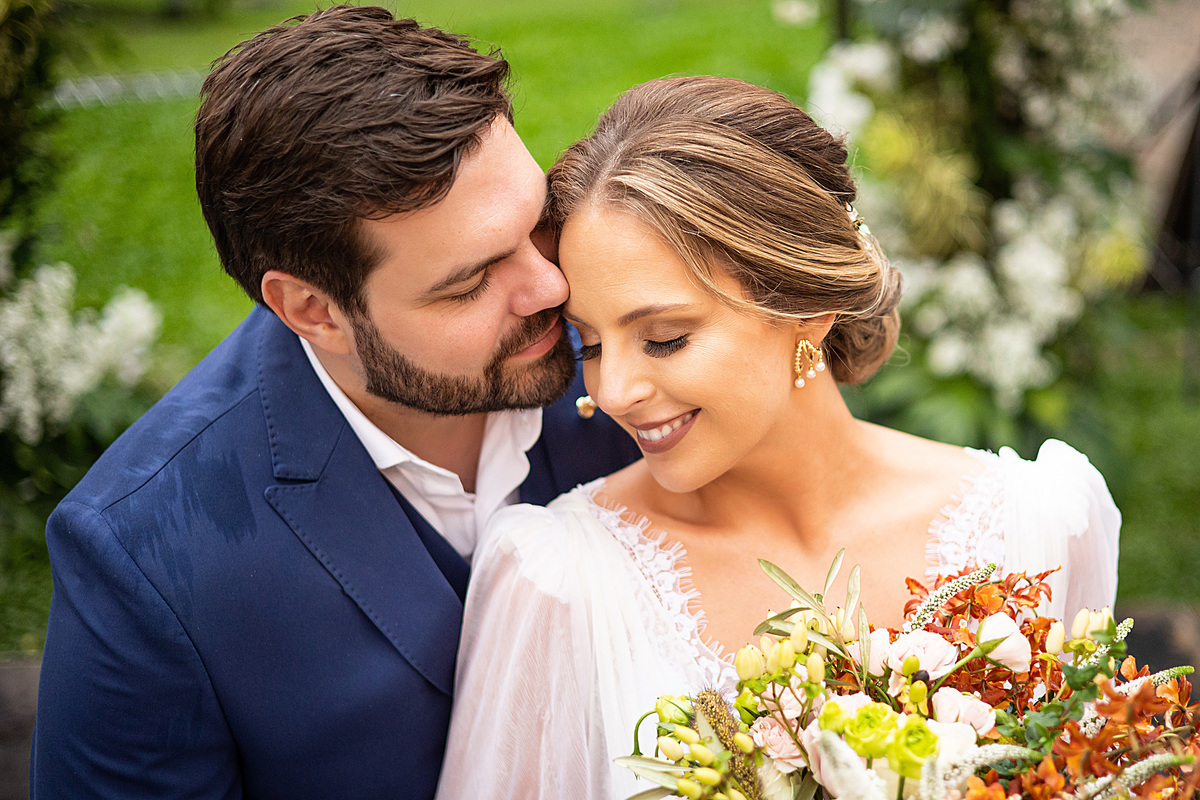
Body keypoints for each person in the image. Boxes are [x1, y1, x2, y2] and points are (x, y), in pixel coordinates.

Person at [434, 76, 1121, 799]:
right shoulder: (555, 583)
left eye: (664, 338)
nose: (612, 392)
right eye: (593, 344)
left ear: (807, 307)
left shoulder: (1040, 524)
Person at [30, 7, 638, 799]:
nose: (551, 287)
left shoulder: (640, 363)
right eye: (469, 282)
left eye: (536, 221)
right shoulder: (146, 557)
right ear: (314, 311)